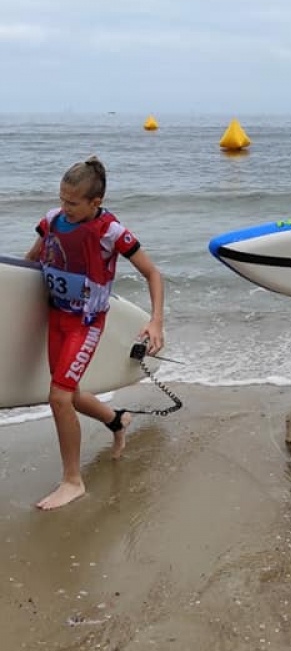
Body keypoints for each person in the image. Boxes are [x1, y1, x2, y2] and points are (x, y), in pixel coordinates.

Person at [24, 156, 165, 510]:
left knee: (58, 397)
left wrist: (156, 320)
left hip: (85, 324)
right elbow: (30, 263)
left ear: (95, 202)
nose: (64, 208)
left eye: (73, 202)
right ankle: (117, 419)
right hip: (56, 318)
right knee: (67, 394)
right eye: (62, 199)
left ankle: (73, 482)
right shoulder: (53, 221)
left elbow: (153, 273)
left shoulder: (111, 233)